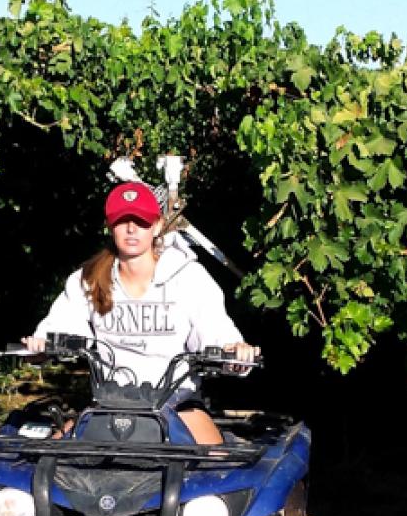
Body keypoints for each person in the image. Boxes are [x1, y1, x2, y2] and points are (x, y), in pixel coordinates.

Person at [23, 181, 258, 445]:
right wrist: (40, 346)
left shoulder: (189, 277)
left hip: (177, 404)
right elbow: (61, 327)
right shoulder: (88, 279)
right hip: (110, 404)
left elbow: (215, 329)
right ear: (110, 226)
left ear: (157, 226)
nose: (132, 229)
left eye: (141, 221)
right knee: (50, 456)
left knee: (216, 464)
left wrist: (234, 350)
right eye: (122, 221)